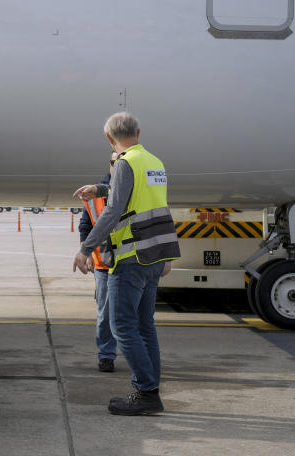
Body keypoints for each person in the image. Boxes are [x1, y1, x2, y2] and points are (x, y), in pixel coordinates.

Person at [72, 112, 180, 415]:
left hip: (131, 257)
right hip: (155, 255)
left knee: (122, 326)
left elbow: (114, 210)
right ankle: (150, 388)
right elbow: (140, 197)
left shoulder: (124, 163)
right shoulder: (153, 162)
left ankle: (146, 392)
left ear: (110, 138)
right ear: (139, 132)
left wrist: (86, 248)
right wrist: (101, 188)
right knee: (146, 327)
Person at [78, 151, 119, 373]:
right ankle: (106, 354)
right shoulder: (96, 193)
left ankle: (136, 354)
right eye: (115, 161)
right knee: (105, 312)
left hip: (130, 260)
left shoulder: (133, 188)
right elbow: (86, 225)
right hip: (104, 261)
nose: (118, 165)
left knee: (134, 313)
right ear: (110, 165)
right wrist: (85, 253)